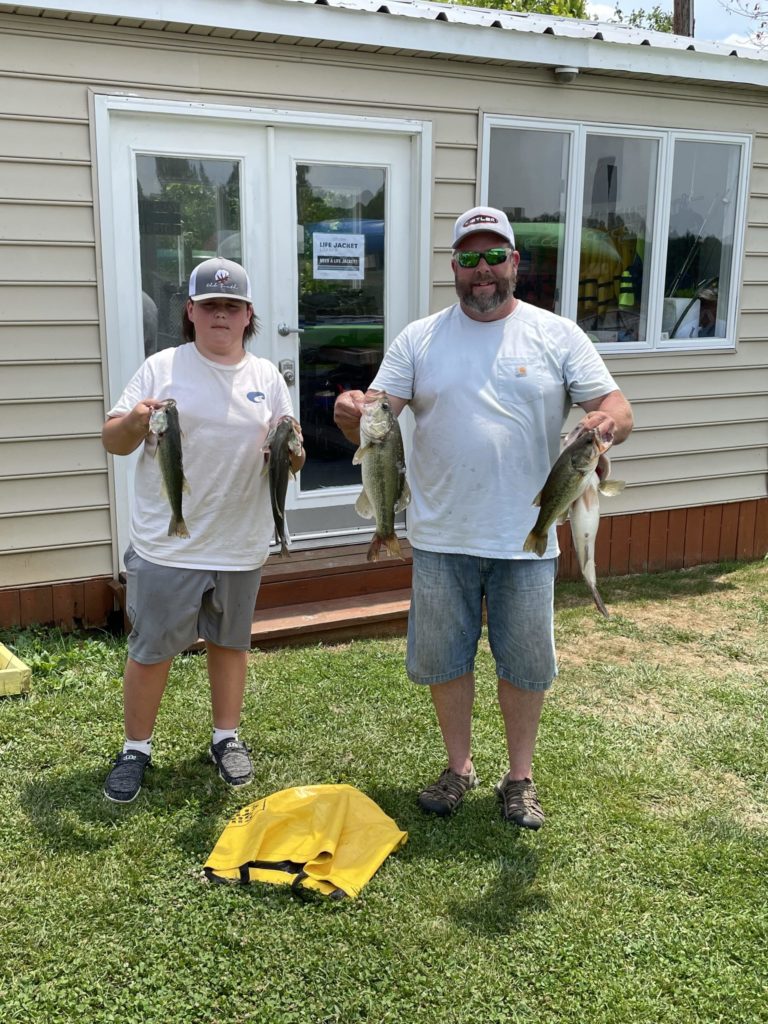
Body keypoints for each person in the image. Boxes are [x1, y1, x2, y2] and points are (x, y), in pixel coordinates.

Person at [334, 206, 633, 830]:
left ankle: (519, 778)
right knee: (447, 659)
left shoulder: (556, 334)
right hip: (441, 534)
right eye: (469, 258)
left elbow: (615, 406)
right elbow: (377, 413)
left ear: (515, 263)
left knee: (524, 663)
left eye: (495, 255)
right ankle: (459, 767)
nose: (483, 270)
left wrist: (606, 423)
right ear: (454, 268)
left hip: (526, 536)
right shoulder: (419, 338)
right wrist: (350, 410)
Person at [102, 257, 305, 803]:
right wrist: (137, 420)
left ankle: (225, 736)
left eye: (231, 306)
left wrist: (294, 451)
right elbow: (114, 440)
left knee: (230, 642)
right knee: (152, 649)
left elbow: (293, 455)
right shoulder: (161, 367)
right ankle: (136, 749)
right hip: (168, 544)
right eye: (210, 305)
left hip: (241, 542)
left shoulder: (266, 376)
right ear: (190, 311)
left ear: (248, 315)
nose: (221, 315)